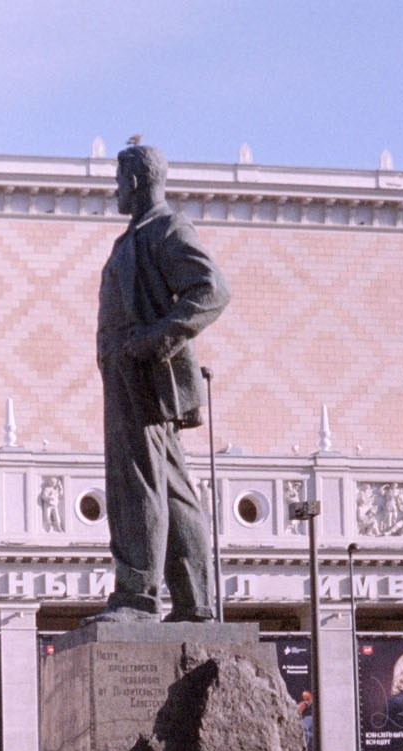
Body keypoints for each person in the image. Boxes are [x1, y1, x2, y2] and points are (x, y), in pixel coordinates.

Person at [91, 139, 230, 624]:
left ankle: (137, 597)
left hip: (143, 372)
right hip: (126, 371)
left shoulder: (167, 228)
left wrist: (154, 339)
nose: (115, 191)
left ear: (133, 181)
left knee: (136, 482)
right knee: (169, 485)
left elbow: (212, 290)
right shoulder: (136, 236)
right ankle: (195, 603)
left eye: (117, 182)